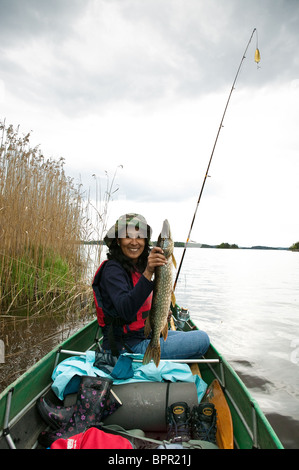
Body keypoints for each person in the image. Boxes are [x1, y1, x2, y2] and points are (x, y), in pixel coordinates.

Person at [92, 213, 210, 360]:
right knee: (202, 339)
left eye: (139, 236)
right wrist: (148, 272)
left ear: (145, 240)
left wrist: (160, 313)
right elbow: (126, 311)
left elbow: (145, 302)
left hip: (144, 334)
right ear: (118, 240)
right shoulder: (112, 271)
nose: (134, 242)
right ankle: (151, 355)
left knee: (192, 336)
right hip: (125, 345)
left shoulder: (136, 267)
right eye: (128, 236)